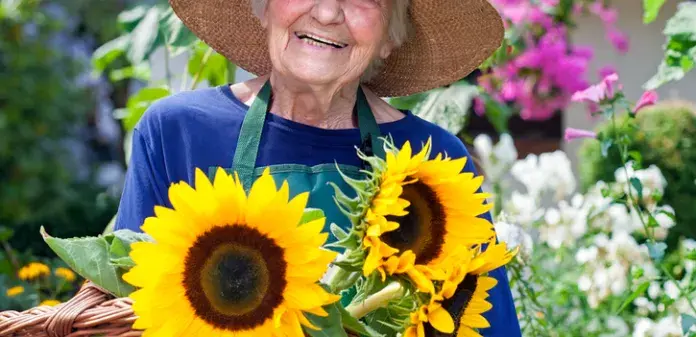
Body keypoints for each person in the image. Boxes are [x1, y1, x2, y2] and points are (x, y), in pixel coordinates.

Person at [113, 0, 521, 335]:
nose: (327, 13)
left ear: (390, 39)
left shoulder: (436, 159)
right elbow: (125, 305)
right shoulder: (177, 132)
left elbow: (488, 324)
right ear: (262, 8)